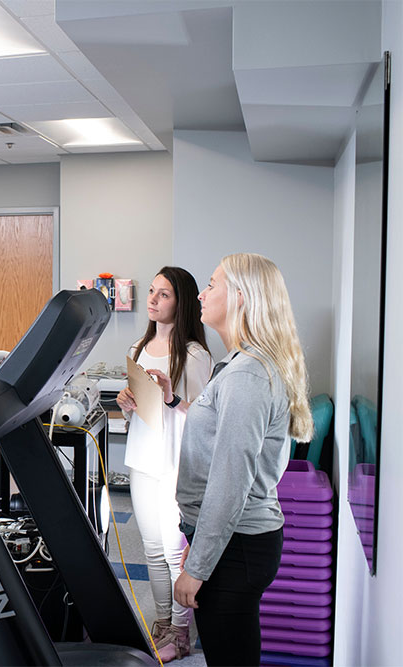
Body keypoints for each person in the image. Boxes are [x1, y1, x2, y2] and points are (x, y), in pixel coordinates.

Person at [167, 254, 314, 666]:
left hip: (237, 546)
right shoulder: (239, 365)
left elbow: (230, 484)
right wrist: (197, 542)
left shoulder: (247, 375)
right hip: (231, 543)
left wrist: (198, 566)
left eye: (212, 284)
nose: (201, 293)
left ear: (241, 297)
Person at [115, 267, 211, 661]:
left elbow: (207, 421)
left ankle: (180, 632)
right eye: (152, 292)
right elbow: (137, 414)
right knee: (152, 550)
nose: (153, 300)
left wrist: (171, 399)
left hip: (175, 464)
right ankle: (162, 625)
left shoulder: (195, 355)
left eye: (164, 294)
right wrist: (126, 406)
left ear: (181, 301)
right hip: (141, 459)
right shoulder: (138, 346)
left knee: (174, 552)